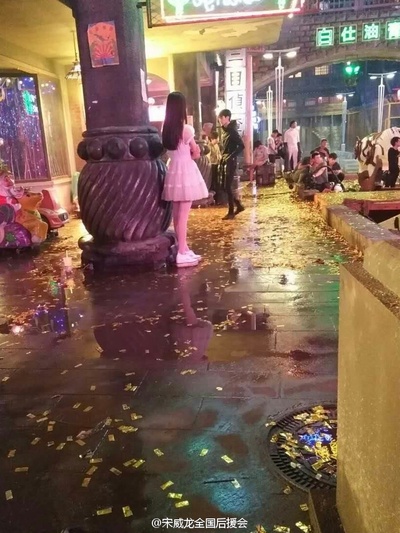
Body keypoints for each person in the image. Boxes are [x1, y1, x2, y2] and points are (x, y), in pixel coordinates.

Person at [162, 92, 209, 268]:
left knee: (177, 214)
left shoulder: (166, 130)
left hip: (173, 170)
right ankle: (181, 253)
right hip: (186, 171)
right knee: (183, 216)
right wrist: (193, 151)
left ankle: (184, 248)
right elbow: (196, 153)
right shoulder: (186, 130)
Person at [218, 109, 245, 220]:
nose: (220, 120)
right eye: (219, 118)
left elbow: (241, 145)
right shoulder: (225, 131)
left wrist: (231, 156)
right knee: (224, 186)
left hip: (230, 162)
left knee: (227, 186)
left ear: (227, 118)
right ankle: (238, 205)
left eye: (221, 118)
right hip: (225, 161)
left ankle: (231, 211)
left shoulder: (232, 131)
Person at [208, 131, 222, 203]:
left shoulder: (216, 146)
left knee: (217, 181)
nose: (218, 140)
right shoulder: (209, 146)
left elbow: (219, 154)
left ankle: (217, 198)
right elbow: (208, 157)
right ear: (212, 139)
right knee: (212, 182)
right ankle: (212, 198)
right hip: (212, 166)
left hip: (217, 165)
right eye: (217, 138)